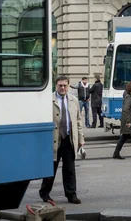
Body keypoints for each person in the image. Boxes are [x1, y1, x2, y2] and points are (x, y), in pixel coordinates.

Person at [39, 75, 85, 204]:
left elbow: (78, 121)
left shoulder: (73, 100)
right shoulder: (49, 100)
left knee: (69, 169)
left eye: (65, 85)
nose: (63, 88)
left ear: (68, 86)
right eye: (60, 85)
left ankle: (71, 194)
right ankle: (44, 193)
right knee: (51, 168)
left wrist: (81, 139)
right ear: (56, 86)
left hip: (69, 139)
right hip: (54, 140)